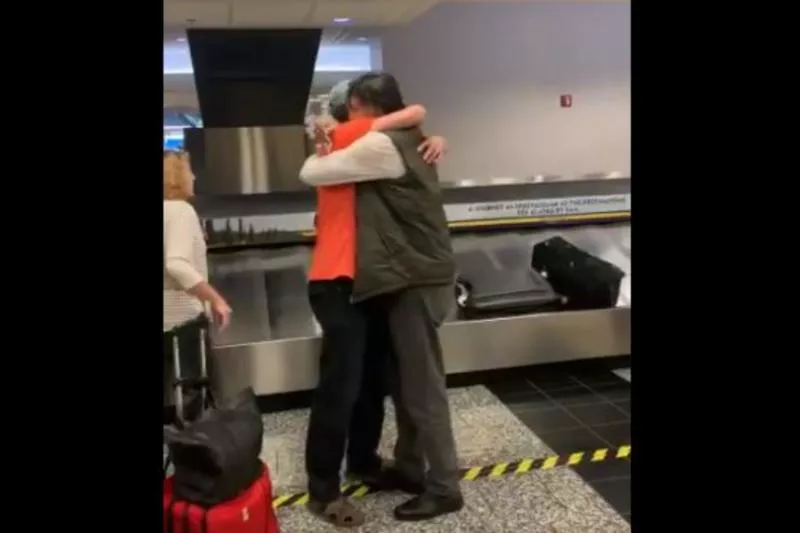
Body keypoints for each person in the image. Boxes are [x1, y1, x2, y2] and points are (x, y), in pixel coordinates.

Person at [299, 72, 463, 522]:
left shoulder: (375, 145)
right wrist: (416, 117)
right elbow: (312, 168)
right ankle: (380, 473)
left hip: (404, 279)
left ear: (357, 106)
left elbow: (318, 165)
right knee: (376, 383)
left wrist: (414, 120)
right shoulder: (371, 143)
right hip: (364, 280)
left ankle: (441, 484)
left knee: (413, 385)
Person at [163, 151, 231, 422]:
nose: (193, 176)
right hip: (182, 320)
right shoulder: (181, 211)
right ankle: (197, 459)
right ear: (177, 177)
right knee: (196, 400)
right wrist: (215, 299)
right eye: (189, 171)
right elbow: (176, 264)